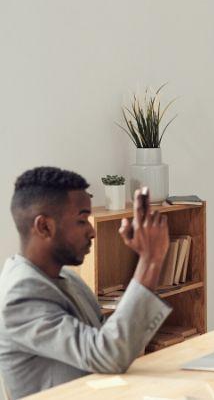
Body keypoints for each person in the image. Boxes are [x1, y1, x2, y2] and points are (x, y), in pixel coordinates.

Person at [0, 167, 172, 399]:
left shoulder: (68, 278)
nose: (92, 231)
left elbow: (107, 344)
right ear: (44, 226)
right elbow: (108, 355)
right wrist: (150, 260)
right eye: (82, 220)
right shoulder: (20, 295)